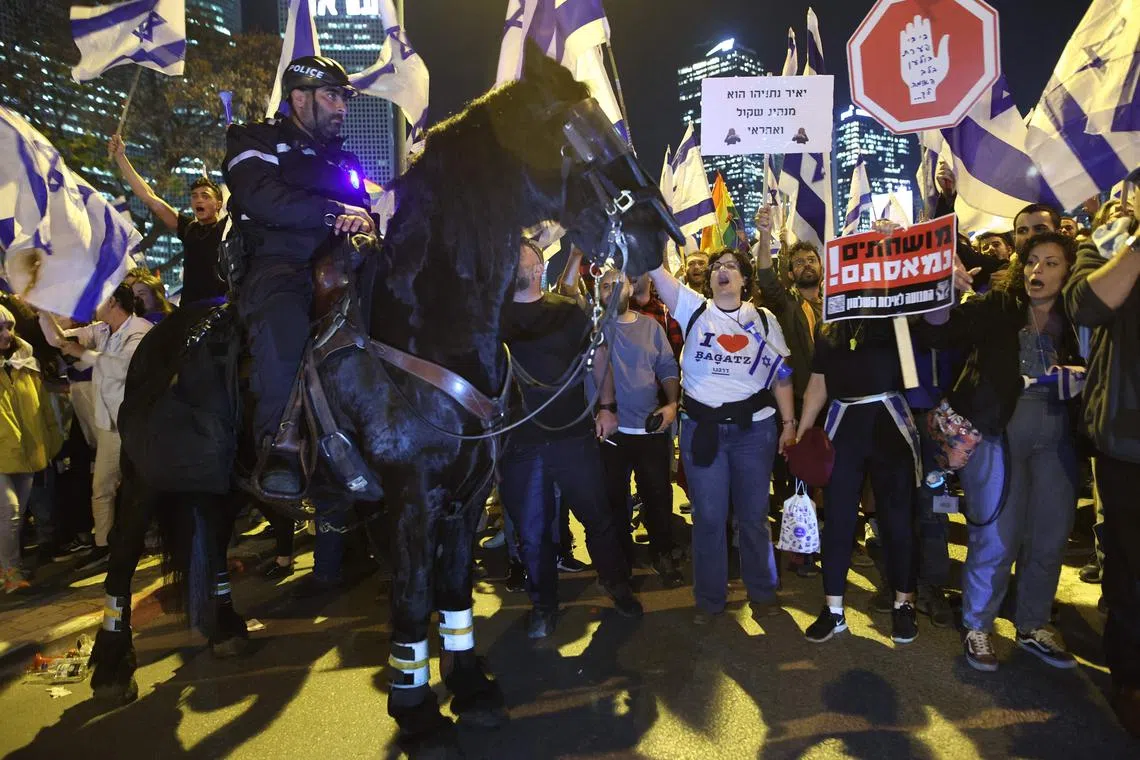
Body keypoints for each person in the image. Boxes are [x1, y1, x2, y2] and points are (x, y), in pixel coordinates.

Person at [919, 232, 1084, 671]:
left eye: (1051, 263)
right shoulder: (998, 306)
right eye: (1032, 261)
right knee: (996, 535)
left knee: (1049, 535)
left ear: (1069, 271)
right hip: (999, 435)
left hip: (1060, 439)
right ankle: (977, 624)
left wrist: (1082, 373)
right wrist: (941, 287)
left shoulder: (1080, 316)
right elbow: (941, 333)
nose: (1038, 271)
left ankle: (1031, 624)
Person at [223, 55, 374, 496]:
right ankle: (281, 448)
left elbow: (364, 213)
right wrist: (334, 212)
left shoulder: (344, 158)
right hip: (280, 265)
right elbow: (260, 197)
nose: (342, 107)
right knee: (283, 324)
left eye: (345, 98)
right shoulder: (254, 138)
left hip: (350, 265)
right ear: (299, 98)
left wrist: (367, 221)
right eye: (333, 96)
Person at [499, 239, 643, 639]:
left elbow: (598, 359)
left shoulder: (566, 312)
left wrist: (607, 407)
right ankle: (543, 605)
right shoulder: (494, 318)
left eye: (522, 252)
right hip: (520, 443)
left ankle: (616, 585)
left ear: (539, 264)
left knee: (598, 517)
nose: (516, 259)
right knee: (532, 533)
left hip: (573, 437)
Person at [648, 247, 796, 624]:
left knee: (753, 515)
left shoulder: (762, 319)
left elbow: (781, 376)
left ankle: (762, 592)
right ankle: (710, 600)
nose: (721, 271)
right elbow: (655, 269)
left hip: (754, 431)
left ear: (744, 280)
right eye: (716, 267)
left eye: (730, 266)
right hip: (703, 430)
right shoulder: (693, 308)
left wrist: (790, 424)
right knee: (709, 517)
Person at [1064, 186, 1140, 737]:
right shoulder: (1103, 247)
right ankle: (1131, 681)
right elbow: (1087, 305)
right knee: (1131, 572)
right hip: (1129, 443)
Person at [795, 317, 923, 645]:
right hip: (844, 423)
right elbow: (817, 384)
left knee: (897, 519)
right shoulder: (830, 324)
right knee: (838, 519)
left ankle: (904, 603)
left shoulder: (897, 316)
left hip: (889, 420)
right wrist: (800, 436)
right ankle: (832, 608)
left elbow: (912, 373)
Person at [39, 285, 152, 572]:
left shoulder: (140, 329)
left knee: (131, 486)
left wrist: (84, 355)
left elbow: (123, 367)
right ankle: (106, 544)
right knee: (105, 486)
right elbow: (60, 341)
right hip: (110, 425)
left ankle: (135, 541)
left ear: (112, 300)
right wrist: (42, 309)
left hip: (135, 424)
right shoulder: (101, 330)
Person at [596, 269, 683, 587]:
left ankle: (663, 553)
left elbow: (667, 366)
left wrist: (672, 404)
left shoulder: (651, 326)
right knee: (613, 502)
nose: (611, 289)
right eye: (604, 286)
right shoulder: (594, 330)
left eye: (616, 284)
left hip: (650, 430)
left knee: (659, 498)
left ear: (630, 287)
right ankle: (621, 563)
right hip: (611, 434)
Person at [108, 136, 228, 307]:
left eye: (205, 196)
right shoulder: (189, 228)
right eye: (194, 196)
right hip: (189, 309)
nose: (198, 200)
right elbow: (149, 197)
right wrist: (121, 157)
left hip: (220, 308)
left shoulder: (228, 228)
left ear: (219, 204)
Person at [0, 305, 62, 592]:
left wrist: (51, 442)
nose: (6, 334)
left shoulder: (27, 362)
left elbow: (44, 410)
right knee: (10, 512)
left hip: (27, 452)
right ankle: (11, 573)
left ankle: (9, 569)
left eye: (9, 327)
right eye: (0, 328)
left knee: (15, 515)